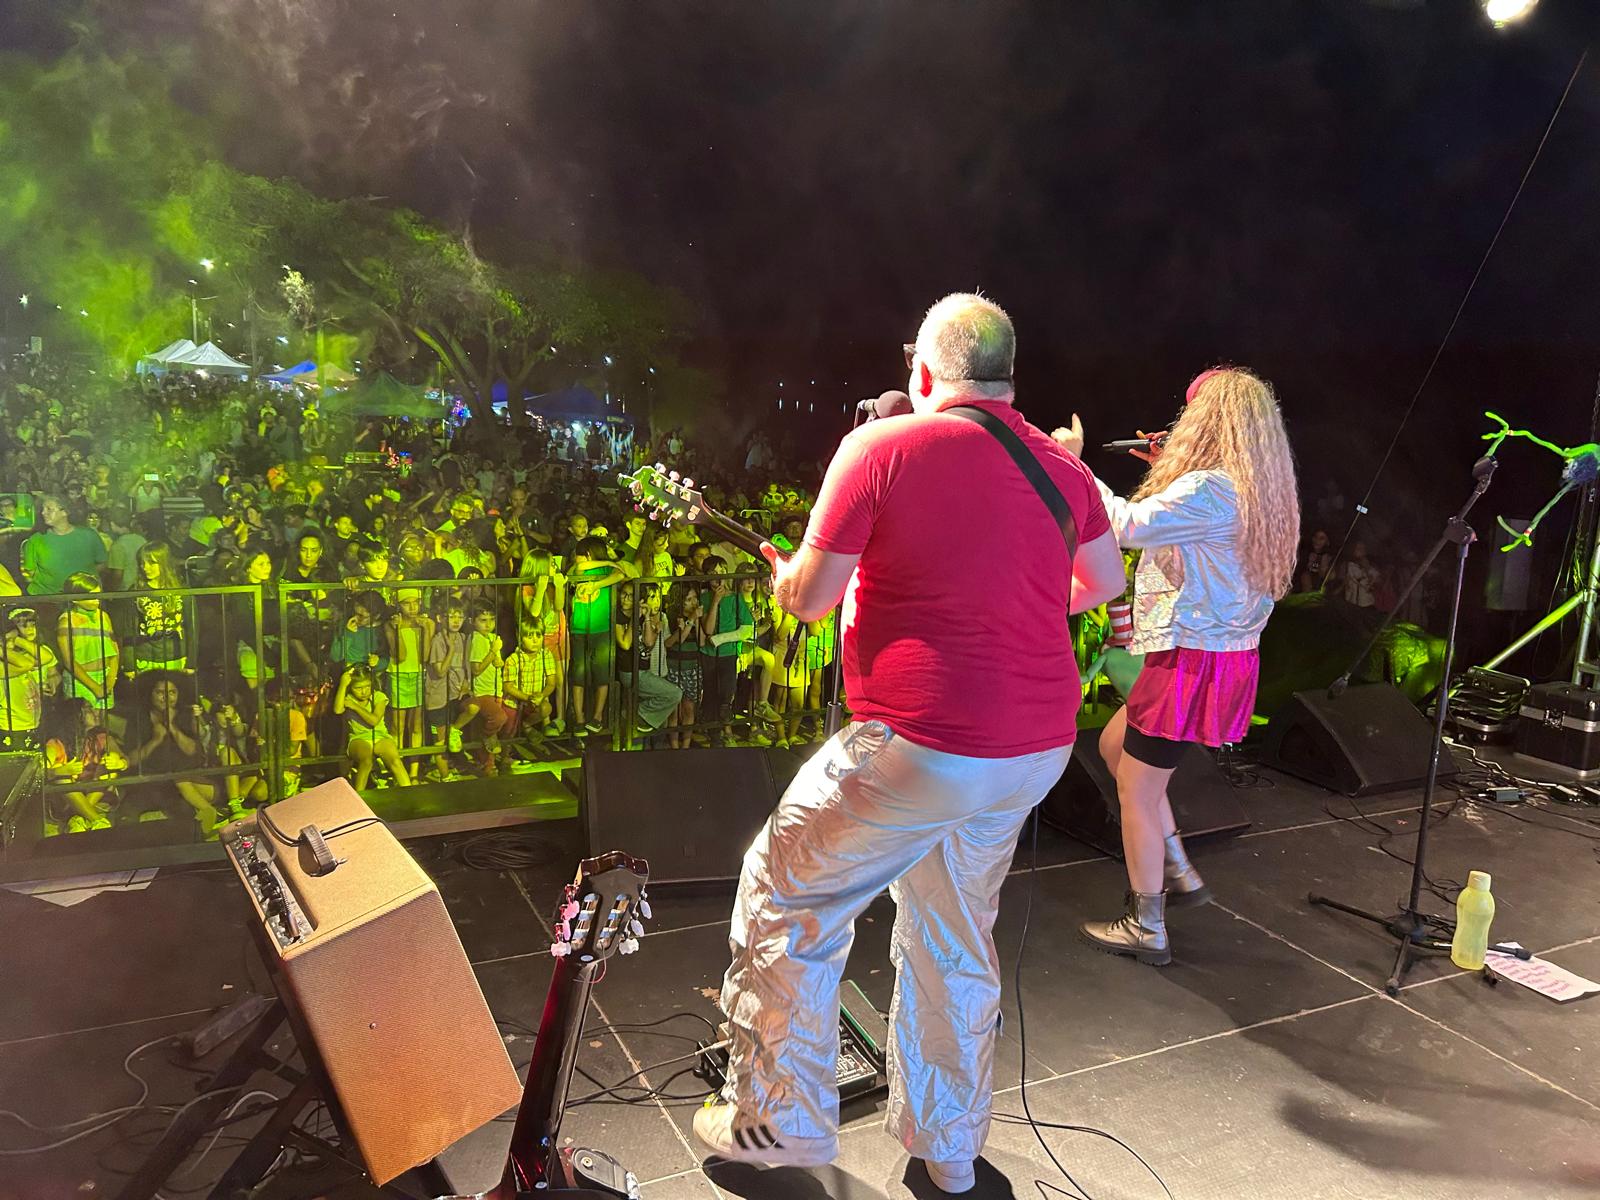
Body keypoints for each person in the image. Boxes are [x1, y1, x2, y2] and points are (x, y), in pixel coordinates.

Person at [694, 293, 1125, 1192]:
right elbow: (1101, 583)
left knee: (786, 894)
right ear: (1009, 378)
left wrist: (786, 580)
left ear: (923, 371)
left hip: (918, 743)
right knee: (953, 930)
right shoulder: (1063, 468)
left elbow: (811, 600)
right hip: (1034, 749)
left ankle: (775, 1124)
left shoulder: (880, 447)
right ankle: (949, 1151)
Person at [1053, 367, 1298, 966]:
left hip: (1190, 660)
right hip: (1216, 656)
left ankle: (1147, 923)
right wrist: (1168, 467)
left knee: (1137, 790)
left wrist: (1074, 464)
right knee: (1114, 747)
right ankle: (1178, 868)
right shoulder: (1249, 489)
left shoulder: (1211, 490)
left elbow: (1126, 526)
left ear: (1209, 421)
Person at [334, 664, 411, 791]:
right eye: (358, 688)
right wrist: (343, 685)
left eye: (367, 686)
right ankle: (359, 796)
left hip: (380, 736)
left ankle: (409, 792)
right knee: (366, 761)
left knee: (395, 760)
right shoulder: (348, 698)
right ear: (351, 687)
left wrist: (355, 706)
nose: (364, 691)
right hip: (359, 738)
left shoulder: (378, 696)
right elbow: (337, 710)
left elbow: (374, 720)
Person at [21, 496, 107, 596]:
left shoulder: (89, 536)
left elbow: (102, 563)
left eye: (49, 509)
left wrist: (81, 582)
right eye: (42, 509)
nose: (43, 513)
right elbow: (30, 570)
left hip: (83, 598)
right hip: (47, 598)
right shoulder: (36, 540)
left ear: (65, 512)